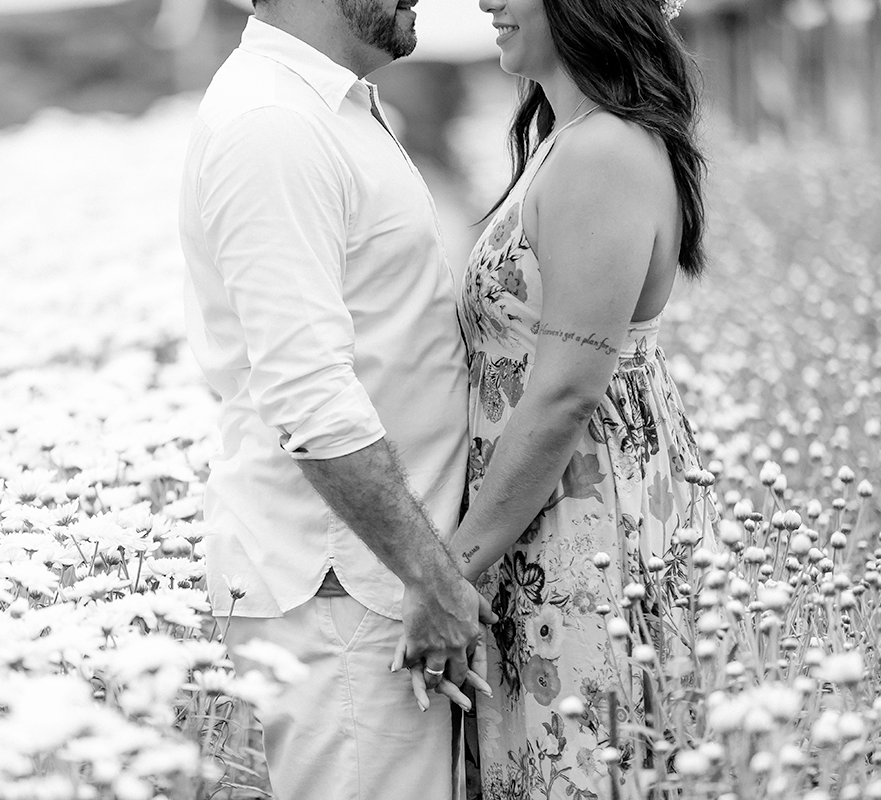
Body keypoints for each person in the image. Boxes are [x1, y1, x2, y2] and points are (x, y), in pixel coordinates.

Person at [178, 2, 496, 799]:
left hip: (373, 576)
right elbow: (306, 391)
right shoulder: (275, 123)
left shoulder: (327, 103)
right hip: (345, 581)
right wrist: (428, 575)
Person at [446, 0, 716, 795]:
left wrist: (450, 572)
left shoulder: (602, 151)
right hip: (541, 512)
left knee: (583, 766)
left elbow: (566, 391)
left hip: (586, 522)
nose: (486, 1)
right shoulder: (570, 140)